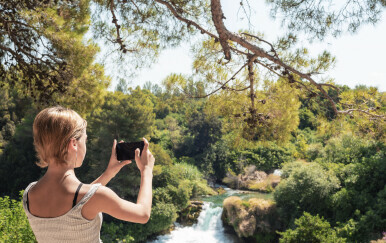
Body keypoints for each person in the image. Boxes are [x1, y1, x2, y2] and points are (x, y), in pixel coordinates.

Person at [22, 106, 155, 242]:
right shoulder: (98, 195)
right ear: (73, 143)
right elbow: (143, 214)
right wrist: (146, 171)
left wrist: (109, 173)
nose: (86, 146)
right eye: (85, 140)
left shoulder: (29, 194)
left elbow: (81, 202)